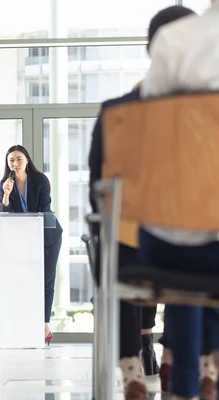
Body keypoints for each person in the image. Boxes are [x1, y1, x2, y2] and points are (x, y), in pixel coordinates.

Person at [88, 6, 198, 398]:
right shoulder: (211, 117)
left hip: (134, 257)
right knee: (197, 248)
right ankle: (194, 365)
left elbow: (96, 195)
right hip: (206, 256)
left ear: (153, 49)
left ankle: (132, 372)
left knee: (118, 243)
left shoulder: (118, 114)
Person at [139, 2, 219, 399]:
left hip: (177, 241)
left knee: (186, 241)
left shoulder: (176, 41)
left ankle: (185, 383)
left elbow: (148, 143)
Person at [0, 144, 63, 345]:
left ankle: (44, 325)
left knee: (46, 280)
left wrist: (33, 236)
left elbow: (44, 210)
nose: (15, 163)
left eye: (19, 159)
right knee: (27, 281)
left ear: (27, 161)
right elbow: (4, 214)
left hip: (48, 234)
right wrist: (7, 195)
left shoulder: (40, 180)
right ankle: (28, 325)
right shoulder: (4, 184)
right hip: (25, 238)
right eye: (11, 160)